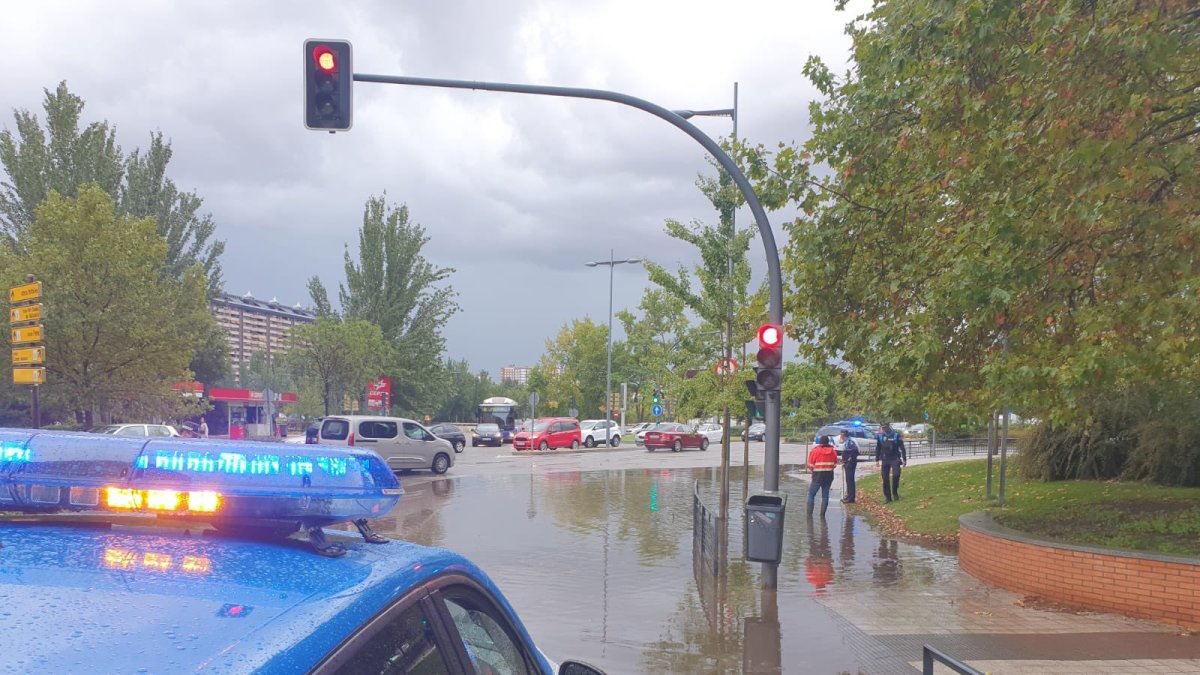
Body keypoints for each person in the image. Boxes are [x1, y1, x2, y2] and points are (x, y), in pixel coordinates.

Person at [806, 435, 839, 517]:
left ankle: (809, 515)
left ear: (820, 442)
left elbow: (810, 465)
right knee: (825, 495)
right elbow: (835, 464)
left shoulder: (815, 451)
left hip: (817, 476)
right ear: (828, 442)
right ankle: (822, 515)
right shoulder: (833, 451)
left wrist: (814, 470)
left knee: (811, 494)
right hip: (828, 475)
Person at [874, 421, 907, 503]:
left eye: (885, 427)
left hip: (895, 458)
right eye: (883, 427)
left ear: (889, 426)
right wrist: (877, 459)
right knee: (885, 478)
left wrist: (904, 458)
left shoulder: (896, 435)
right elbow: (878, 448)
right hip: (885, 459)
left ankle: (895, 492)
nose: (884, 429)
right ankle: (887, 497)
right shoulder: (880, 436)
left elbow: (902, 447)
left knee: (896, 475)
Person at [837, 428, 860, 504]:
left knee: (850, 480)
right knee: (848, 480)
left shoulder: (850, 442)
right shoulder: (847, 442)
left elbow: (855, 451)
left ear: (843, 435)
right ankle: (849, 496)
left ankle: (851, 498)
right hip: (847, 463)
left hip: (850, 464)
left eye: (841, 435)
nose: (840, 436)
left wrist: (850, 459)